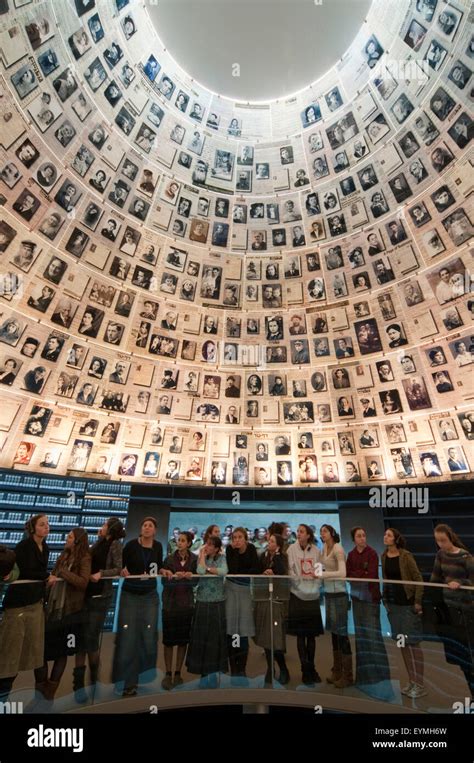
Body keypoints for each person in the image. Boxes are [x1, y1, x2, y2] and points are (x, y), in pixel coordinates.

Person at [33, 528, 91, 704]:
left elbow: (83, 582)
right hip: (53, 608)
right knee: (41, 652)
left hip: (70, 611)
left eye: (70, 537)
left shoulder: (84, 558)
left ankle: (49, 694)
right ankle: (40, 691)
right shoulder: (63, 555)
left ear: (78, 540)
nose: (67, 539)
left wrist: (63, 573)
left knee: (61, 653)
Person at [73, 518, 125, 702]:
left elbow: (118, 569)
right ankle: (78, 686)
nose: (101, 527)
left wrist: (101, 574)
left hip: (100, 597)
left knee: (92, 639)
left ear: (110, 528)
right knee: (80, 640)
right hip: (85, 595)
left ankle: (93, 682)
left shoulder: (116, 544)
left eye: (104, 525)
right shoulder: (100, 542)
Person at [113, 518, 163, 697]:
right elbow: (119, 565)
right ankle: (127, 682)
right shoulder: (131, 546)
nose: (147, 527)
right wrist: (121, 570)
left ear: (155, 530)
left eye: (150, 525)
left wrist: (164, 571)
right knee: (128, 639)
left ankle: (142, 676)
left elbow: (158, 567)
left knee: (148, 637)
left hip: (149, 595)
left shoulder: (157, 547)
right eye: (144, 525)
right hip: (131, 594)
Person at [430, 524, 474, 698]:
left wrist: (460, 583)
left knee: (468, 650)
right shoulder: (440, 555)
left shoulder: (466, 557)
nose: (441, 544)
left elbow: (472, 581)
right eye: (437, 541)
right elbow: (434, 577)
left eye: (443, 540)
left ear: (451, 538)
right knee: (458, 652)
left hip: (466, 609)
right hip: (448, 608)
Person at [382, 528, 426, 698]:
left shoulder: (406, 556)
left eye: (389, 535)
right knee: (402, 644)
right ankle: (412, 681)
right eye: (385, 535)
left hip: (408, 605)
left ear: (396, 539)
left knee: (413, 643)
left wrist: (417, 601)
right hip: (394, 606)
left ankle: (420, 683)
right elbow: (386, 579)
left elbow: (418, 579)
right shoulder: (384, 556)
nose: (385, 537)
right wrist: (385, 600)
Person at [346, 527, 391, 693]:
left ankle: (380, 679)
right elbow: (349, 575)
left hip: (370, 599)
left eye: (364, 535)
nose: (362, 538)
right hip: (357, 599)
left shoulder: (372, 553)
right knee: (361, 637)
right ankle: (364, 679)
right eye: (359, 536)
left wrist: (358, 575)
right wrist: (360, 573)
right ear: (354, 539)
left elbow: (371, 575)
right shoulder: (351, 555)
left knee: (373, 638)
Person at [186, 536, 228, 688]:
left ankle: (213, 672)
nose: (207, 547)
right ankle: (203, 673)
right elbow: (200, 571)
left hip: (218, 602)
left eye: (211, 545)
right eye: (207, 544)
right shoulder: (200, 557)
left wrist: (210, 570)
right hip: (202, 601)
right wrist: (203, 557)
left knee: (215, 639)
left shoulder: (222, 558)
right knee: (201, 638)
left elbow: (224, 571)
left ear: (217, 548)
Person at [161, 531, 198, 690]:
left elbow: (197, 582)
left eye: (183, 540)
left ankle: (178, 672)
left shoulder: (195, 560)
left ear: (189, 543)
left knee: (183, 641)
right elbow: (163, 582)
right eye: (178, 540)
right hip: (170, 605)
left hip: (186, 605)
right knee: (168, 641)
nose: (180, 543)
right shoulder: (169, 559)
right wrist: (173, 576)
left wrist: (190, 577)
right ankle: (168, 673)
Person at [287, 524, 324, 685]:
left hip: (312, 597)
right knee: (301, 636)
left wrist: (314, 588)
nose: (299, 534)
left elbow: (319, 572)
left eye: (302, 532)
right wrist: (300, 587)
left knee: (312, 636)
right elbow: (290, 572)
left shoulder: (316, 551)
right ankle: (304, 669)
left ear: (308, 535)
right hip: (297, 597)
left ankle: (312, 668)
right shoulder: (291, 549)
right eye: (298, 532)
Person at [319, 525, 353, 688]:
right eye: (321, 532)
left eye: (325, 531)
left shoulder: (338, 548)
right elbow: (320, 566)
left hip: (339, 595)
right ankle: (337, 670)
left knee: (342, 634)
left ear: (332, 533)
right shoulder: (324, 548)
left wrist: (323, 574)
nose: (322, 534)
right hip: (329, 594)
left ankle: (348, 675)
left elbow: (342, 573)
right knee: (333, 633)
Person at [253, 534, 290, 685]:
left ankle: (283, 668)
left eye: (273, 541)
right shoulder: (263, 556)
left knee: (275, 637)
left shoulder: (282, 558)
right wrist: (264, 573)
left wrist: (274, 573)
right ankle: (270, 669)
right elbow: (257, 573)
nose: (269, 543)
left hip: (276, 601)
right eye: (269, 540)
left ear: (279, 545)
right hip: (263, 600)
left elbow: (283, 574)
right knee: (266, 637)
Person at [225, 528, 259, 683]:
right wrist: (236, 551)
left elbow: (255, 569)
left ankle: (242, 669)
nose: (237, 540)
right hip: (231, 590)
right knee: (232, 630)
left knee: (243, 631)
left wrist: (243, 570)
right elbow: (233, 569)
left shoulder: (251, 549)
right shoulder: (230, 550)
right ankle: (233, 670)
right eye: (234, 537)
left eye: (240, 537)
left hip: (245, 591)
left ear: (246, 538)